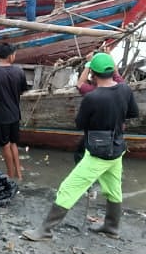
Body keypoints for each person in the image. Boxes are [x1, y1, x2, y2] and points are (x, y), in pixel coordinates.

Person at [23, 53, 138, 241]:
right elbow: (132, 113)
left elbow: (80, 124)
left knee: (69, 188)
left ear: (93, 73)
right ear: (113, 71)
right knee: (113, 187)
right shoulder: (125, 89)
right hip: (117, 148)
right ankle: (111, 227)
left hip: (98, 153)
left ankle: (45, 230)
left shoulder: (93, 97)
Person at [0, 43, 28, 180]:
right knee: (13, 143)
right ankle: (18, 175)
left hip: (2, 116)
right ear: (10, 56)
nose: (15, 56)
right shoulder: (19, 72)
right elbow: (21, 91)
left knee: (5, 145)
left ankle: (10, 175)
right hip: (15, 114)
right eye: (14, 54)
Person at [73, 50, 125, 163]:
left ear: (94, 74)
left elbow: (80, 84)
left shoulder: (92, 91)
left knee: (83, 156)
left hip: (96, 137)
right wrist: (109, 56)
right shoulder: (122, 87)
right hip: (117, 137)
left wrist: (88, 64)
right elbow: (116, 73)